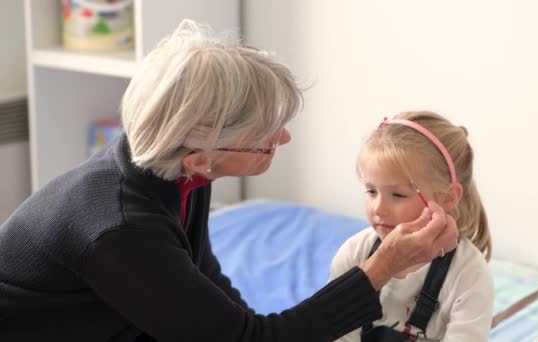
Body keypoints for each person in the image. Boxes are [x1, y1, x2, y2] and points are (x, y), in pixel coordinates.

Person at [0, 20, 458, 342]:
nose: (284, 136)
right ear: (204, 158)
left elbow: (204, 278)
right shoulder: (120, 230)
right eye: (266, 140)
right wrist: (380, 270)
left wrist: (254, 323)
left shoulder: (169, 167)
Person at [330, 111, 494, 341]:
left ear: (448, 198)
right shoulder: (355, 254)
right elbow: (340, 334)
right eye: (371, 191)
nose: (379, 208)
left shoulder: (468, 273)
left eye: (397, 194)